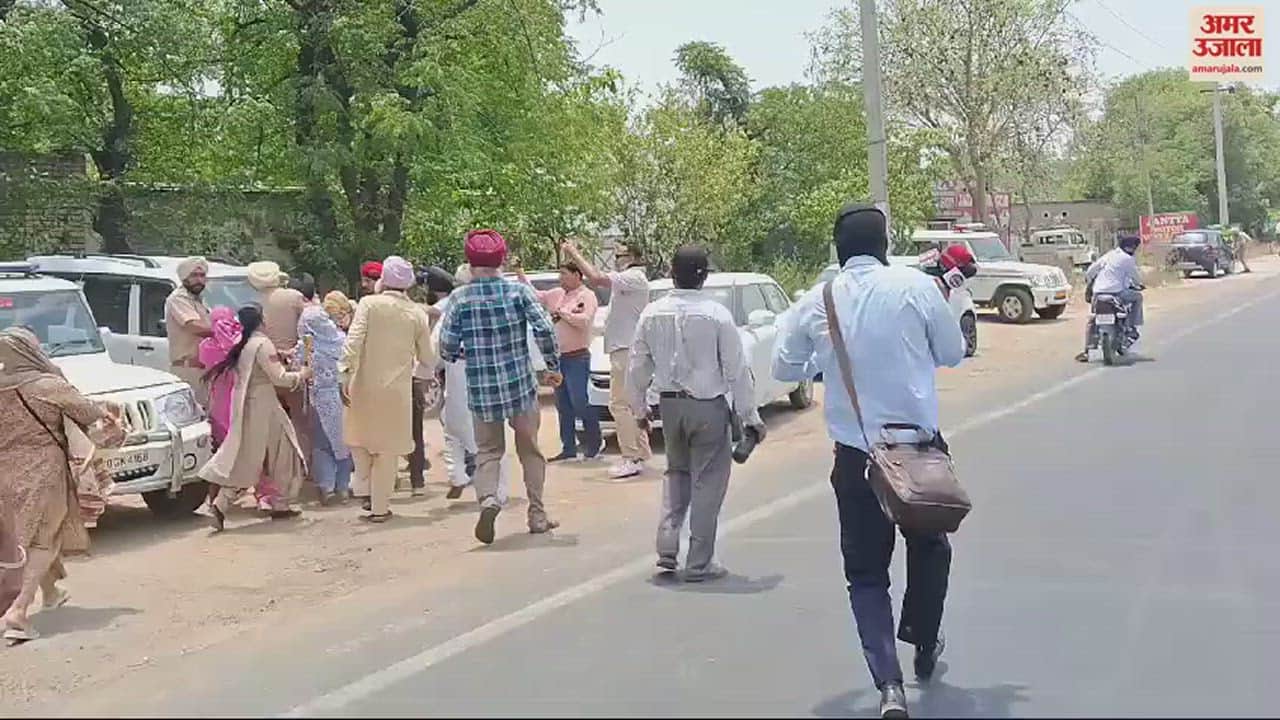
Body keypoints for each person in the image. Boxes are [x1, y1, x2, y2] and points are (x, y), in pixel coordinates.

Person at [772, 204, 966, 719]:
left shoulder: (819, 300)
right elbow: (952, 352)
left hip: (857, 460)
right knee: (931, 548)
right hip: (919, 453)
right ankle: (924, 641)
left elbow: (781, 364)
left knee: (865, 574)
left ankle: (888, 687)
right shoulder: (917, 288)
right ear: (884, 244)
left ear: (838, 249)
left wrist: (821, 359)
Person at [628, 246, 765, 581]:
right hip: (708, 407)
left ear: (673, 273)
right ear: (704, 276)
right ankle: (699, 563)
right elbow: (736, 370)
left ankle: (667, 547)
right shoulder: (717, 315)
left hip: (670, 407)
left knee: (676, 475)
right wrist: (751, 417)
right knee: (707, 483)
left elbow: (636, 368)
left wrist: (639, 409)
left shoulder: (651, 313)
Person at [0, 328, 126, 641]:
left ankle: (52, 591)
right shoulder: (48, 385)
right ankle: (17, 610)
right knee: (44, 538)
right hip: (43, 470)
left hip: (4, 473)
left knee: (21, 536)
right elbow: (89, 413)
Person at [439, 230, 562, 544]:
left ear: (470, 262)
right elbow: (545, 328)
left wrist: (458, 353)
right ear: (501, 260)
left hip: (481, 388)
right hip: (520, 385)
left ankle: (489, 499)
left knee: (488, 452)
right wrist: (551, 365)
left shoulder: (459, 298)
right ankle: (537, 514)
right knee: (530, 450)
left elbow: (447, 345)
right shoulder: (518, 293)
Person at [199, 306, 313, 532]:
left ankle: (278, 504)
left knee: (264, 454)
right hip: (264, 407)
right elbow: (279, 378)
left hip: (254, 405)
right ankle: (223, 504)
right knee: (261, 457)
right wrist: (303, 375)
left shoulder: (248, 344)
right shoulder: (262, 344)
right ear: (261, 320)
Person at [340, 256, 435, 523]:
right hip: (397, 392)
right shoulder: (417, 313)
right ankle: (380, 507)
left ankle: (363, 488)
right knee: (387, 450)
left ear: (384, 280)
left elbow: (353, 341)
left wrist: (343, 374)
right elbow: (428, 356)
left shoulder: (369, 304)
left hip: (362, 385)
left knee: (359, 439)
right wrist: (421, 374)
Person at [561, 240, 651, 479]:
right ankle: (640, 453)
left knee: (619, 405)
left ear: (632, 256)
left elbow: (597, 277)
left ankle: (630, 457)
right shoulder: (631, 281)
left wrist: (573, 252)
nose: (616, 259)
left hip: (626, 349)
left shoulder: (633, 277)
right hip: (624, 348)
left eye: (620, 254)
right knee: (629, 404)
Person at [516, 260, 602, 462]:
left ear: (577, 275)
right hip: (557, 359)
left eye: (564, 274)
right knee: (563, 404)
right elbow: (535, 295)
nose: (560, 278)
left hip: (577, 356)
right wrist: (520, 273)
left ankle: (594, 443)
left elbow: (584, 321)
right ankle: (568, 447)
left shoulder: (586, 296)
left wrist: (562, 313)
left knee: (579, 400)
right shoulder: (556, 294)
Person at [298, 298, 352, 505]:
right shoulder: (341, 340)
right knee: (344, 441)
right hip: (342, 397)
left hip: (316, 399)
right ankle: (343, 486)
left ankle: (326, 486)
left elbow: (297, 364)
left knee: (322, 444)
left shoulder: (306, 345)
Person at [1076, 234, 1144, 363]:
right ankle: (1132, 324)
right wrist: (1140, 284)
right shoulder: (1127, 259)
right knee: (1138, 297)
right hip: (1117, 293)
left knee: (1093, 319)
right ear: (1132, 248)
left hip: (1098, 294)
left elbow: (1091, 270)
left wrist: (1090, 282)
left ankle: (1087, 350)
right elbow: (1136, 277)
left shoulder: (1109, 255)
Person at [164, 257, 213, 407]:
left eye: (202, 276)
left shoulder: (199, 300)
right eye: (194, 276)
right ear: (184, 277)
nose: (199, 280)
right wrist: (224, 333)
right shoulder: (178, 298)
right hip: (188, 370)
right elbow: (194, 326)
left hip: (204, 370)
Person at [198, 306, 242, 448]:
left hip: (218, 393)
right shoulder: (241, 342)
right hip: (239, 391)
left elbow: (204, 363)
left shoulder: (206, 346)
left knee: (221, 423)